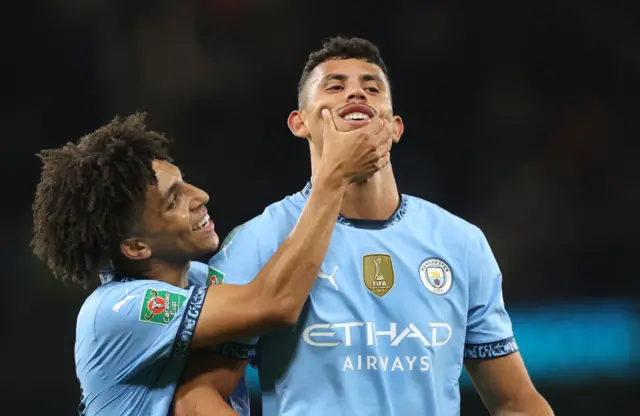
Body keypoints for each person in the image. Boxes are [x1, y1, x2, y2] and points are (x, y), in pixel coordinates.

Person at [184, 36, 554, 415]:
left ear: (394, 127)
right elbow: (197, 396)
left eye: (371, 87)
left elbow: (516, 403)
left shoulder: (460, 243)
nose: (356, 93)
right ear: (300, 123)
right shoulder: (257, 241)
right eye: (336, 86)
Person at [30, 111, 392, 415]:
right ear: (137, 247)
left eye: (184, 183)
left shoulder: (203, 279)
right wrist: (331, 178)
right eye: (174, 201)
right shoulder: (114, 311)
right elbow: (272, 304)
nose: (200, 196)